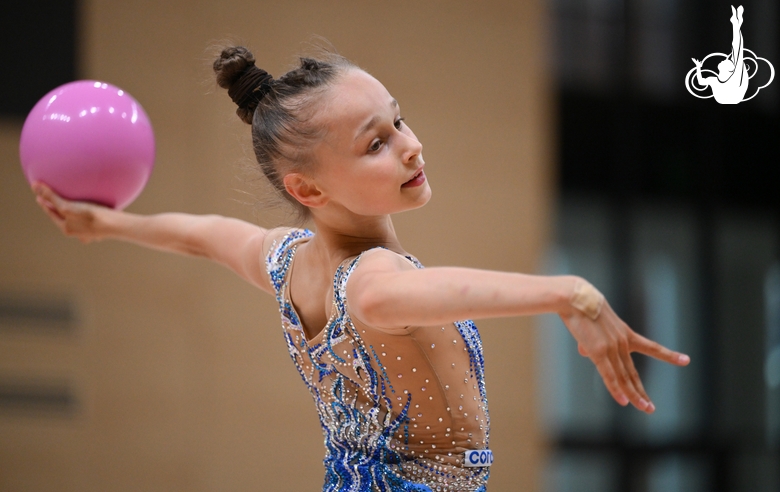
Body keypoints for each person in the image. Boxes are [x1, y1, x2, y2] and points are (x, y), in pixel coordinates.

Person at [33, 45, 690, 492]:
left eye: (399, 121)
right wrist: (570, 294)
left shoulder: (287, 263)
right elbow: (444, 289)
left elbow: (204, 236)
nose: (411, 147)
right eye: (377, 143)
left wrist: (108, 224)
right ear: (308, 189)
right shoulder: (372, 281)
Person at [692, 5, 748, 104]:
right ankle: (736, 23)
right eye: (728, 61)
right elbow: (701, 82)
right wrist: (698, 67)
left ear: (729, 70)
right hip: (728, 99)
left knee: (736, 50)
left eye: (728, 61)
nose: (725, 59)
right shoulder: (715, 80)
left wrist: (698, 67)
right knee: (736, 51)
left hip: (733, 97)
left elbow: (737, 49)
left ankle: (736, 23)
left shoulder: (732, 78)